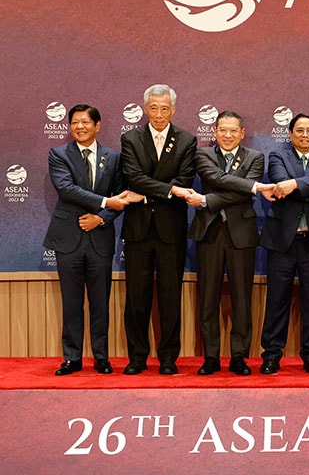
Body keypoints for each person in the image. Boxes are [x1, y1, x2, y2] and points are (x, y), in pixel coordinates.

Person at [44, 105, 134, 375]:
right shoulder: (58, 154)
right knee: (71, 303)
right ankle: (72, 358)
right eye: (74, 123)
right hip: (68, 238)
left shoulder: (113, 157)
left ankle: (101, 357)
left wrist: (102, 218)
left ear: (97, 125)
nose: (79, 127)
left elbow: (122, 197)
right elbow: (67, 189)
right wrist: (106, 202)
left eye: (85, 122)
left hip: (100, 238)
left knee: (100, 302)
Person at [184, 111, 269, 376]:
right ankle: (210, 357)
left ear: (242, 133)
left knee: (242, 298)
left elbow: (240, 191)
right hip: (209, 232)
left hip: (241, 234)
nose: (228, 135)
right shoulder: (203, 155)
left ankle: (239, 356)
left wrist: (208, 200)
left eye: (233, 130)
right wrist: (250, 188)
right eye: (223, 130)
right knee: (208, 297)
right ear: (216, 132)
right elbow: (219, 181)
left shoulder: (256, 157)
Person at [120, 84, 197, 375]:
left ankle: (168, 359)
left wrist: (148, 194)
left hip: (171, 230)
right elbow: (134, 177)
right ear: (144, 108)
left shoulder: (187, 140)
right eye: (153, 108)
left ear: (173, 109)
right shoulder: (131, 138)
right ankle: (137, 357)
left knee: (170, 297)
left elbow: (185, 179)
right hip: (138, 229)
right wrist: (165, 191)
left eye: (165, 108)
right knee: (136, 297)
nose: (159, 114)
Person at [259, 113, 309, 375]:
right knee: (276, 301)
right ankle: (271, 355)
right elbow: (279, 184)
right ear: (290, 134)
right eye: (299, 130)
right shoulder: (278, 157)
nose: (305, 135)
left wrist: (294, 185)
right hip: (283, 241)